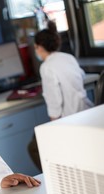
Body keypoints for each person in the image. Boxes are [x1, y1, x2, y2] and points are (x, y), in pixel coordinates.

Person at [29, 20, 94, 171]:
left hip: (69, 120)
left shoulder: (46, 67)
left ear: (39, 47)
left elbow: (55, 104)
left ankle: (56, 178)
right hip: (86, 112)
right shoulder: (68, 57)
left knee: (34, 147)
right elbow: (81, 76)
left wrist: (53, 129)